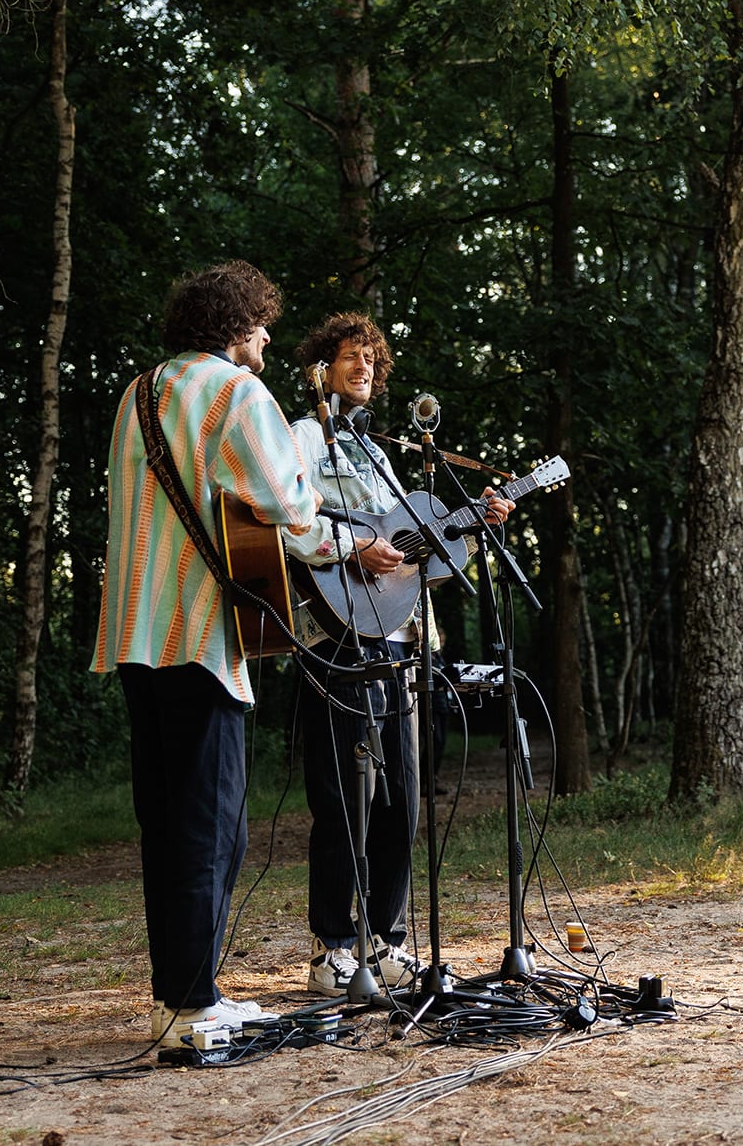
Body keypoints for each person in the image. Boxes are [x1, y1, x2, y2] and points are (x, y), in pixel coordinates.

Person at [92, 261, 338, 1047]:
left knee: (164, 820)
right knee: (211, 824)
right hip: (199, 635)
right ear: (234, 326)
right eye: (261, 322)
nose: (267, 334)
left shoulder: (135, 395)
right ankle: (194, 1005)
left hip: (135, 631)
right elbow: (290, 508)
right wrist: (337, 536)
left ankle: (179, 994)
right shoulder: (237, 392)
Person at [287, 312, 511, 995]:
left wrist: (477, 518)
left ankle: (386, 940)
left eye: (371, 361)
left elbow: (418, 552)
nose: (363, 369)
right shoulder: (298, 439)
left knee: (402, 798)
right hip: (336, 636)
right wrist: (353, 547)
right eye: (350, 357)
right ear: (321, 367)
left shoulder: (380, 455)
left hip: (404, 643)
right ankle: (333, 948)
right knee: (344, 795)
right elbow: (285, 516)